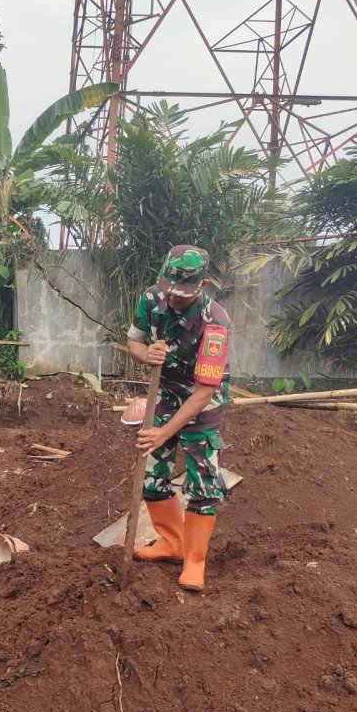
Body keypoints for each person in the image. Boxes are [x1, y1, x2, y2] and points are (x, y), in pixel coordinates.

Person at [126, 245, 230, 592]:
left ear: (200, 287)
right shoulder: (152, 298)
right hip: (166, 396)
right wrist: (147, 354)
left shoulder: (215, 321)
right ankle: (171, 543)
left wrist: (163, 432)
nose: (173, 299)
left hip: (202, 402)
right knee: (152, 476)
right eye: (170, 291)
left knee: (202, 485)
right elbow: (134, 343)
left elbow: (203, 391)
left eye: (182, 296)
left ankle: (195, 561)